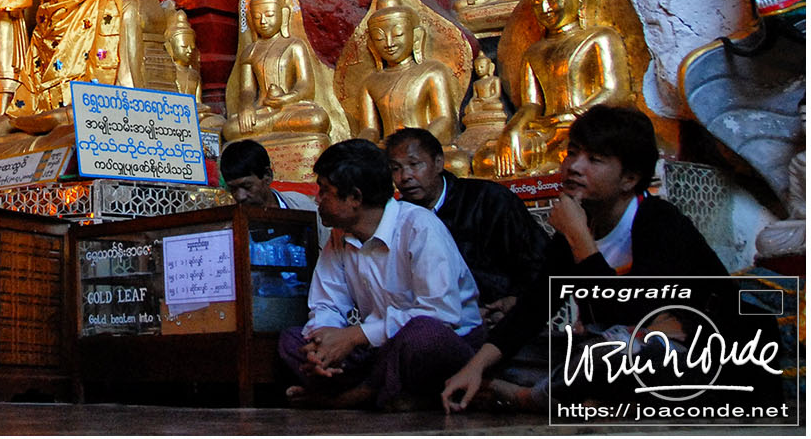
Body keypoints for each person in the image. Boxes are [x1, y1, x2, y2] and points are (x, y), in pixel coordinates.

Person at [442, 106, 727, 413]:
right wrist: (475, 367)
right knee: (503, 351)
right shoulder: (577, 227)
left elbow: (630, 315)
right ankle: (575, 395)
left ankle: (529, 397)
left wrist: (580, 239)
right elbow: (533, 309)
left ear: (629, 178)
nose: (574, 167)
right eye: (573, 153)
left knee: (617, 353)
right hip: (604, 347)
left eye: (595, 159)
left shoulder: (660, 223)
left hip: (694, 352)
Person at [279, 139, 482, 409]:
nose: (317, 199)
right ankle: (387, 392)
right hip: (378, 348)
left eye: (325, 191)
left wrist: (354, 336)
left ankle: (352, 397)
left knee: (422, 336)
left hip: (445, 343)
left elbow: (440, 314)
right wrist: (322, 345)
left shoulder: (420, 227)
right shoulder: (340, 236)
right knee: (292, 340)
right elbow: (326, 304)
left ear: (355, 198)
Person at [386, 128, 546, 325]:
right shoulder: (397, 219)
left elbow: (539, 259)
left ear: (438, 163)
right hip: (432, 324)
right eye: (395, 168)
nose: (405, 176)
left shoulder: (489, 199)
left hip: (503, 317)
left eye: (414, 164)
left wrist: (514, 299)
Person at [220, 139, 316, 211]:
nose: (240, 196)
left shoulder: (302, 205)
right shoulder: (230, 223)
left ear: (267, 176)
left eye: (247, 186)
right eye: (232, 189)